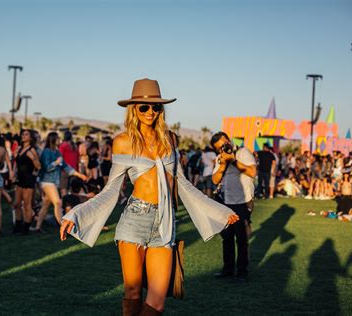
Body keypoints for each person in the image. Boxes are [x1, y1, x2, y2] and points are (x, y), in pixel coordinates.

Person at [60, 78, 238, 314]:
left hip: (165, 222)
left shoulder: (170, 139)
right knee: (132, 293)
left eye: (156, 107)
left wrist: (220, 211)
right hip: (135, 219)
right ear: (134, 108)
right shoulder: (123, 142)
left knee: (157, 301)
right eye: (144, 107)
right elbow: (112, 190)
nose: (150, 112)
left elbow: (183, 184)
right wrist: (76, 213)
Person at [211, 131, 257, 282]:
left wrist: (233, 161)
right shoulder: (220, 158)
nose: (222, 149)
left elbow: (252, 172)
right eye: (219, 148)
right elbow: (215, 179)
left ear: (229, 141)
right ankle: (228, 269)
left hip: (242, 202)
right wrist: (224, 163)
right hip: (226, 201)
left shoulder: (243, 152)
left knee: (242, 238)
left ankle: (242, 272)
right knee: (227, 237)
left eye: (224, 145)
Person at [34, 132, 87, 232]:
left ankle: (37, 227)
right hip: (47, 181)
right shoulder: (46, 151)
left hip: (54, 182)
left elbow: (66, 167)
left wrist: (79, 174)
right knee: (58, 203)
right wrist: (56, 162)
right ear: (53, 139)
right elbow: (46, 168)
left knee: (45, 205)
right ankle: (65, 227)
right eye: (58, 138)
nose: (60, 139)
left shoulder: (57, 152)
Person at [13, 129, 41, 235]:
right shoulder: (20, 149)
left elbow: (38, 166)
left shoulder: (32, 150)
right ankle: (18, 226)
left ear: (31, 138)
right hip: (20, 179)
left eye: (26, 134)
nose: (23, 136)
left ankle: (25, 229)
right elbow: (18, 164)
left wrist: (33, 158)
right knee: (16, 204)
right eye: (23, 134)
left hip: (28, 180)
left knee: (27, 205)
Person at [59, 131, 79, 196]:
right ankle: (70, 204)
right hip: (74, 169)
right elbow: (77, 159)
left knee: (63, 189)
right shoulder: (75, 146)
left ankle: (65, 204)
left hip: (65, 170)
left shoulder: (63, 145)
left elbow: (60, 157)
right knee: (71, 189)